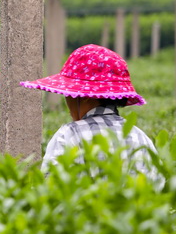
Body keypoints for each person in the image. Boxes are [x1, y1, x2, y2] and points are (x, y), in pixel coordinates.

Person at [20, 44, 159, 181]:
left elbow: (50, 189)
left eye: (69, 94)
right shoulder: (140, 137)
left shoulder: (69, 135)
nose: (67, 100)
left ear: (85, 96)